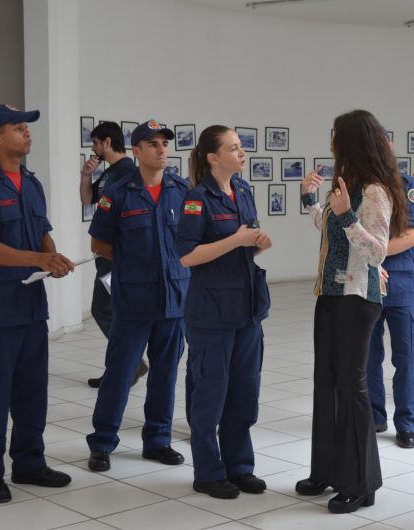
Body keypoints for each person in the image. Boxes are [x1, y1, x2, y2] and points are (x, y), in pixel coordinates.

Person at [0, 104, 74, 503]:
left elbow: (43, 233)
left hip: (30, 308)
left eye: (27, 127)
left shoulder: (32, 183)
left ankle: (29, 463)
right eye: (18, 127)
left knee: (31, 392)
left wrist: (51, 257)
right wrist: (39, 259)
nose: (27, 133)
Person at [296, 109, 408, 514]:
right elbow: (330, 231)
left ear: (351, 142)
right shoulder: (347, 186)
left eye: (335, 136)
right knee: (325, 384)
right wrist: (313, 201)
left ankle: (361, 483)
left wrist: (344, 213)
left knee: (352, 387)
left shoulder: (375, 191)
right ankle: (325, 471)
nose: (330, 142)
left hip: (357, 300)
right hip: (329, 296)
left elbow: (376, 251)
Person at [85, 120, 189, 472]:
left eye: (164, 143)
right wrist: (132, 262)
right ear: (137, 151)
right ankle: (102, 443)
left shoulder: (182, 190)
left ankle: (157, 440)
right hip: (133, 298)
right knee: (120, 372)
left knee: (165, 373)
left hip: (174, 298)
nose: (161, 149)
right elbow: (98, 242)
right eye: (153, 143)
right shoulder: (119, 193)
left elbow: (195, 239)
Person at [176, 125, 272, 500]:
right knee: (210, 396)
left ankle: (239, 467)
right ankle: (208, 471)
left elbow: (246, 248)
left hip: (247, 309)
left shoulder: (244, 191)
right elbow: (187, 255)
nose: (241, 153)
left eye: (241, 147)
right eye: (233, 148)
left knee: (244, 394)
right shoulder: (197, 199)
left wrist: (258, 243)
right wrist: (235, 239)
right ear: (213, 157)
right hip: (212, 314)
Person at [366, 129, 414, 449]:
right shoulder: (360, 189)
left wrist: (369, 250)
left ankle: (406, 423)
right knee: (368, 354)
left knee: (406, 356)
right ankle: (375, 415)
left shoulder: (411, 188)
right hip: (366, 282)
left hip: (401, 283)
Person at [79, 121, 148, 389]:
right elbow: (88, 200)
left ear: (107, 142)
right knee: (109, 312)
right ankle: (127, 366)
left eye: (95, 143)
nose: (94, 148)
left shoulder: (129, 171)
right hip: (105, 255)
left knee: (106, 311)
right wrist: (86, 175)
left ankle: (129, 366)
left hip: (119, 258)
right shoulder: (110, 173)